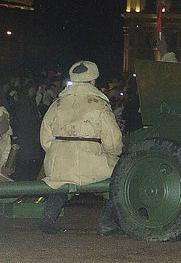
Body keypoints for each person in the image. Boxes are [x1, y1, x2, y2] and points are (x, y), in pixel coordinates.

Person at [38, 60, 124, 235]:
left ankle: (49, 215)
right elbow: (113, 141)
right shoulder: (99, 105)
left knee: (60, 182)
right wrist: (112, 156)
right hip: (90, 163)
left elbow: (45, 138)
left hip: (59, 161)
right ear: (93, 81)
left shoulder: (57, 104)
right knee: (117, 178)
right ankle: (106, 223)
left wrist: (57, 152)